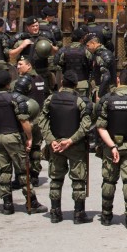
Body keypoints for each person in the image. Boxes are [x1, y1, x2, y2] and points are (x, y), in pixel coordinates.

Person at [38, 70, 93, 223]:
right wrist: (71, 140)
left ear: (62, 82)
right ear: (76, 85)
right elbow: (86, 124)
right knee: (78, 179)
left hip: (55, 145)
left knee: (56, 179)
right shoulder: (79, 101)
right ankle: (78, 213)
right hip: (74, 146)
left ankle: (55, 213)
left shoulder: (51, 99)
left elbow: (42, 121)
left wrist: (51, 140)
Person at [95, 70, 127, 228]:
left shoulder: (106, 99)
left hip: (110, 146)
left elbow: (100, 126)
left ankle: (106, 216)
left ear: (118, 80)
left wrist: (111, 146)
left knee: (109, 180)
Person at [0, 68, 32, 215]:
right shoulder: (16, 98)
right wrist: (29, 137)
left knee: (3, 170)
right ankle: (31, 200)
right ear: (8, 83)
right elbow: (23, 120)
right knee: (23, 169)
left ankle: (7, 203)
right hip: (13, 136)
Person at [13, 56, 48, 185]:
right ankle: (34, 175)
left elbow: (16, 97)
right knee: (36, 148)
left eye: (20, 64)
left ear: (29, 66)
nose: (18, 67)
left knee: (22, 148)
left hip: (27, 119)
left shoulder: (24, 81)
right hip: (39, 118)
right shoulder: (40, 79)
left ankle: (21, 178)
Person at [54, 28, 92, 99]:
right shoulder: (86, 50)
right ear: (82, 39)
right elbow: (92, 64)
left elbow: (56, 62)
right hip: (82, 83)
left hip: (67, 84)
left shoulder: (63, 50)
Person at [83, 33, 115, 100]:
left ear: (93, 43)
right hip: (101, 88)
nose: (87, 48)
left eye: (88, 45)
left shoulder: (104, 54)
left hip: (106, 90)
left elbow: (106, 77)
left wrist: (100, 94)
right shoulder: (97, 54)